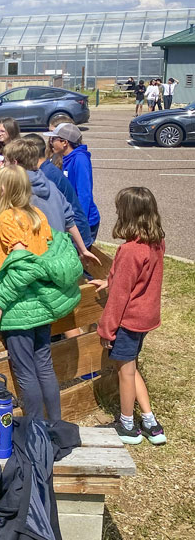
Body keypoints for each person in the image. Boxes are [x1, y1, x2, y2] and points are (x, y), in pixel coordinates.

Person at [0, 165, 83, 420]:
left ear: (7, 189)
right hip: (42, 304)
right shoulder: (38, 215)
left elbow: (22, 268)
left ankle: (35, 432)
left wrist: (0, 302)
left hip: (21, 307)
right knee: (44, 365)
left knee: (25, 372)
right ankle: (53, 424)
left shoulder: (9, 219)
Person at [91, 187, 167, 446]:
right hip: (146, 317)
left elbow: (120, 296)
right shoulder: (156, 243)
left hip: (129, 320)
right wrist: (110, 280)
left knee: (124, 371)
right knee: (131, 367)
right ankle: (151, 423)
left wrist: (106, 329)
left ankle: (127, 425)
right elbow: (135, 281)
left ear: (128, 215)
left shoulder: (130, 250)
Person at [3, 137, 99, 264]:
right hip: (58, 254)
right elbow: (69, 219)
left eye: (6, 161)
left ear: (14, 163)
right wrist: (83, 249)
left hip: (38, 258)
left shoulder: (21, 192)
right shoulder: (50, 184)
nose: (4, 165)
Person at [49, 122, 100, 243]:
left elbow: (84, 194)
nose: (51, 143)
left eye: (54, 139)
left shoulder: (80, 159)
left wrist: (79, 224)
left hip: (83, 221)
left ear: (64, 142)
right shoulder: (65, 158)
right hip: (72, 219)